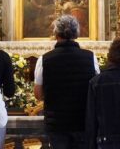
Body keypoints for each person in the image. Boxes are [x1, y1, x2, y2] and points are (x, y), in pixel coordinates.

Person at [34, 15, 99, 149]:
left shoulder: (44, 59)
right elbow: (96, 90)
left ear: (56, 33)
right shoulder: (90, 57)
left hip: (57, 123)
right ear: (76, 33)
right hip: (82, 120)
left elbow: (38, 94)